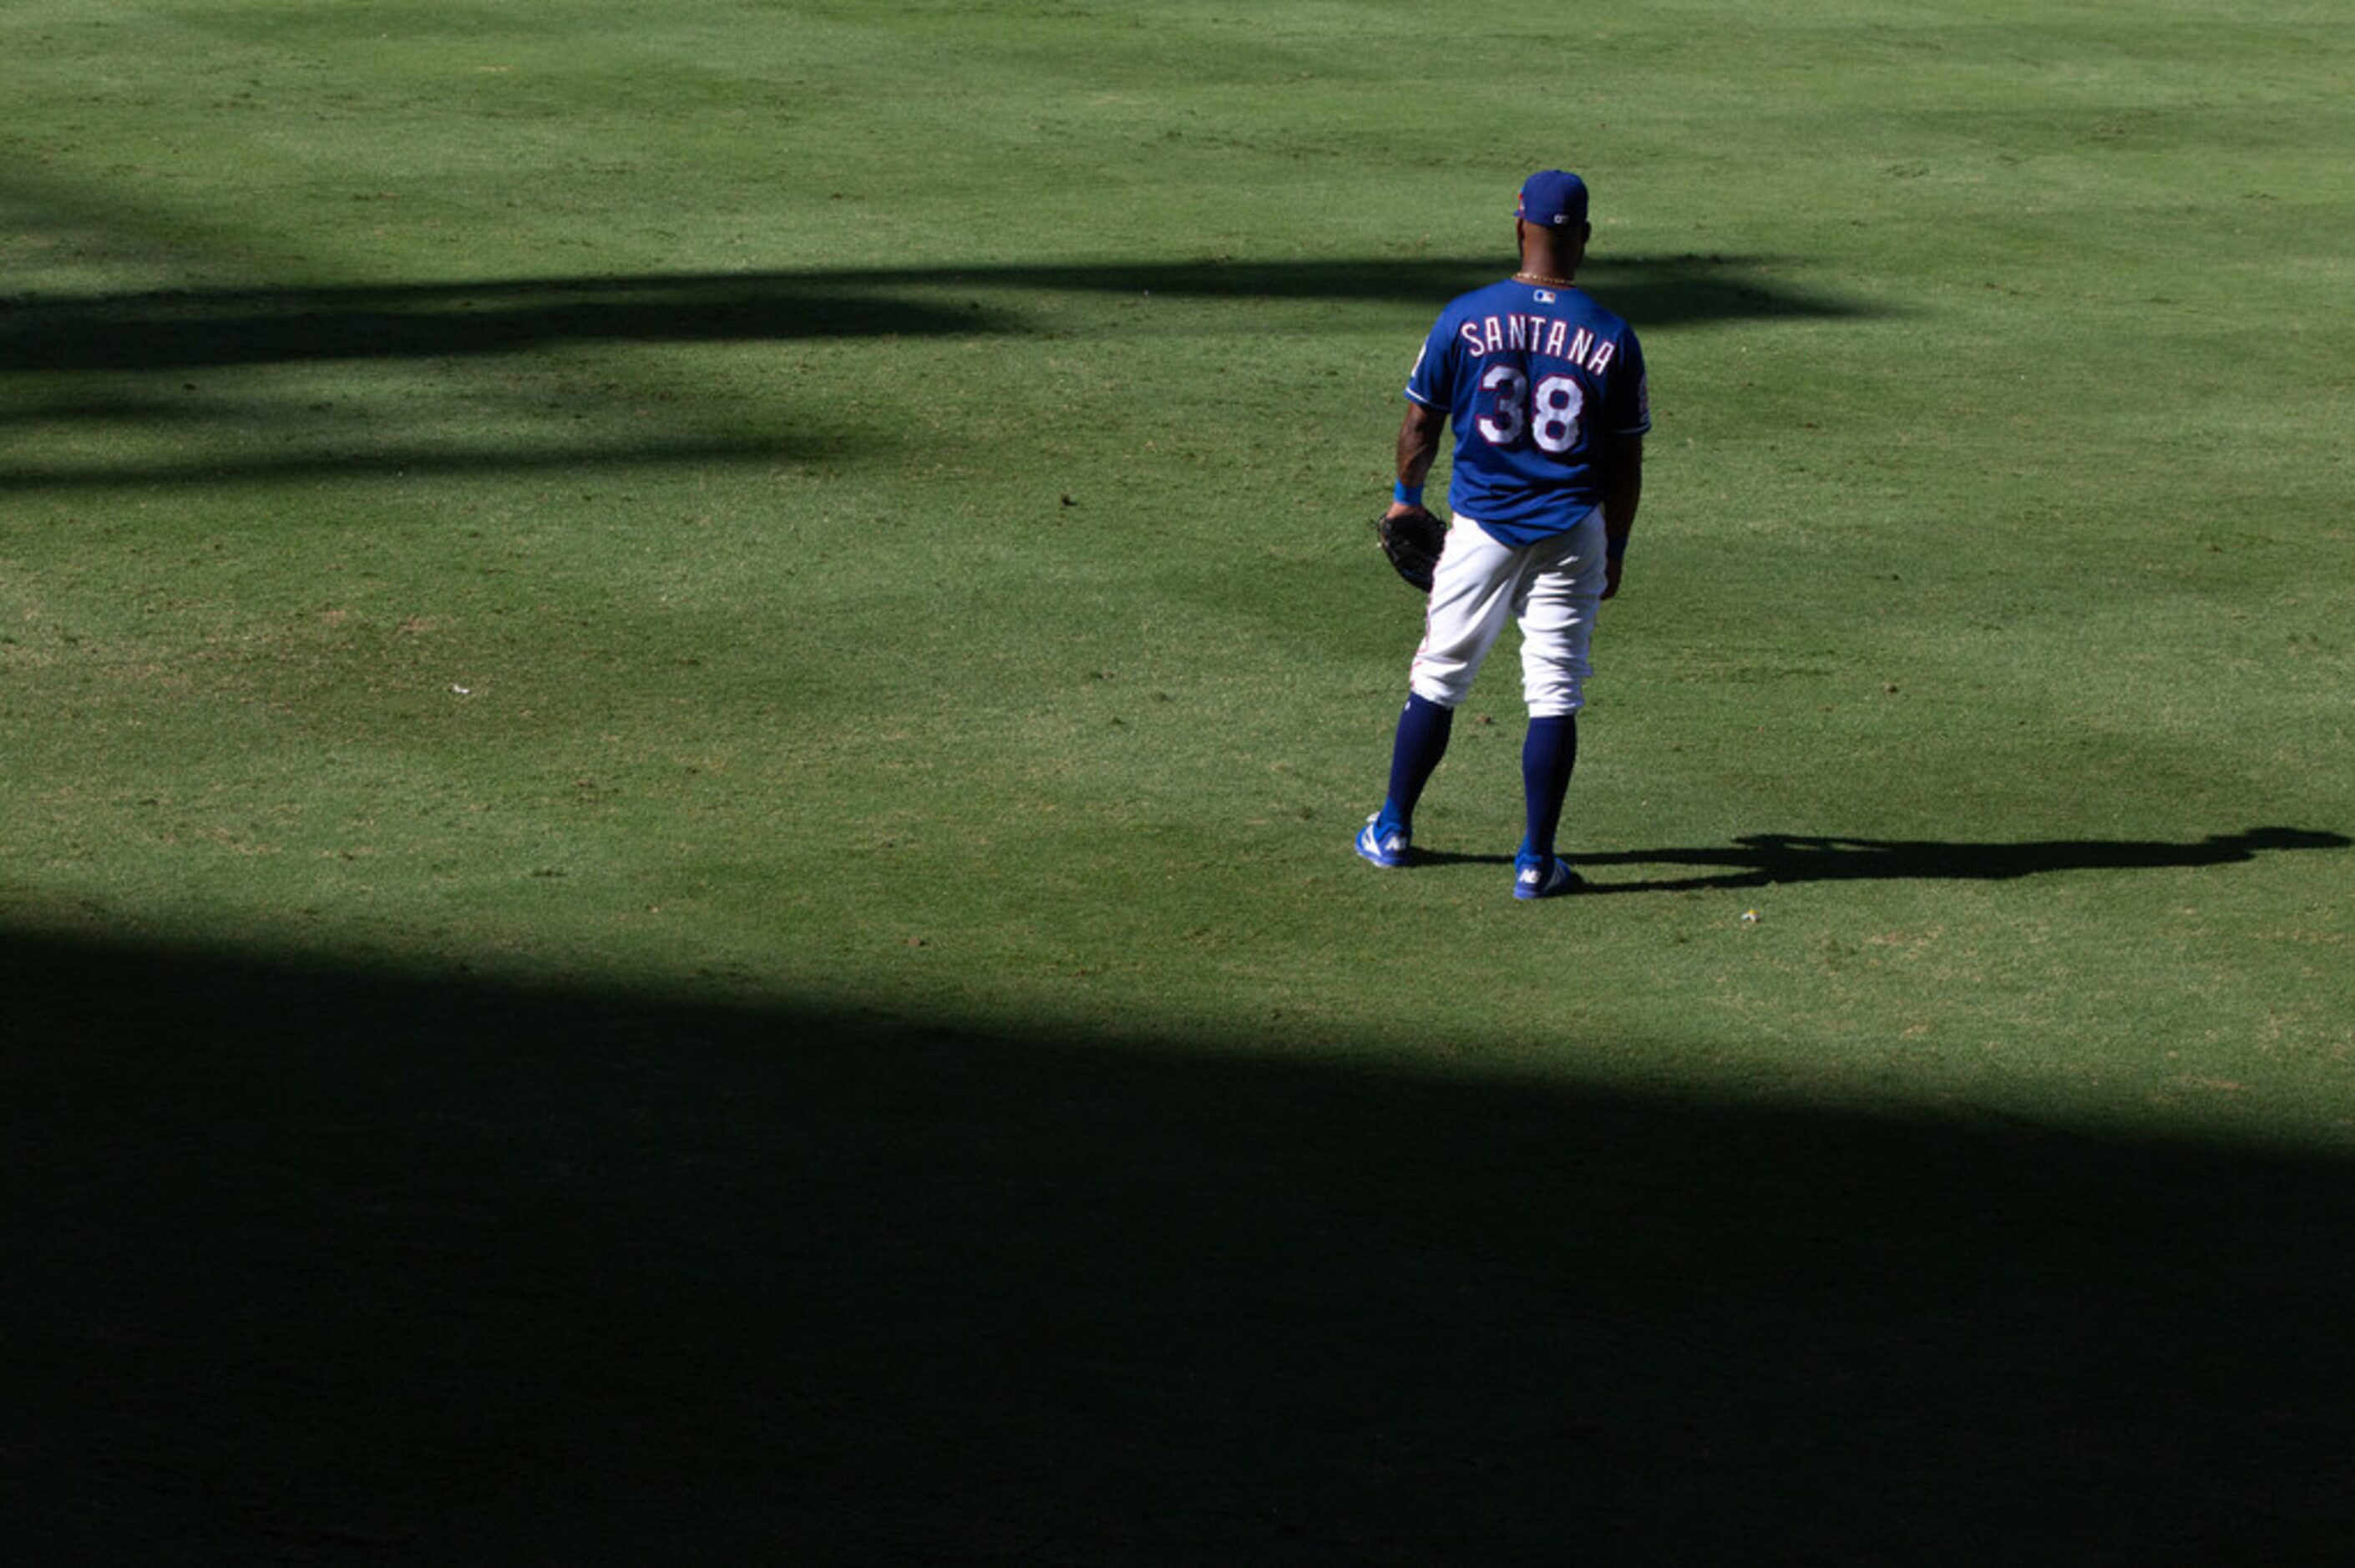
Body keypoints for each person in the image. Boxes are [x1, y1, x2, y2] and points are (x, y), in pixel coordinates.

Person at [1356, 169, 1649, 898]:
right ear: (1583, 236)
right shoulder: (1613, 336)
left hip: (1481, 527)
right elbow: (1625, 461)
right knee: (1554, 689)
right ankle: (1535, 861)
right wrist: (1613, 547)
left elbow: (1422, 423)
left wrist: (1403, 501)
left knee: (1440, 675)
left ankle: (1392, 829)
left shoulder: (1466, 315)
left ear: (1520, 228)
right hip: (1572, 529)